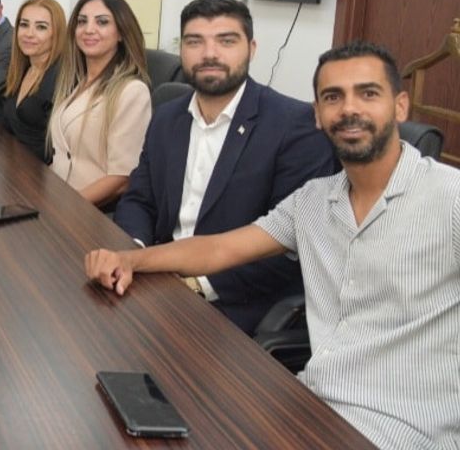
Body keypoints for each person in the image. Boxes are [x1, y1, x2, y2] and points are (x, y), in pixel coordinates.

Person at [85, 42, 460, 449]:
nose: (349, 109)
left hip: (405, 428)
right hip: (313, 403)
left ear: (400, 107)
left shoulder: (450, 198)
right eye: (333, 97)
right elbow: (217, 250)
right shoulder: (313, 199)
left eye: (368, 93)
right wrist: (130, 259)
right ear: (317, 115)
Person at [113, 0, 339, 332]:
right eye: (195, 42)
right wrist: (134, 253)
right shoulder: (166, 116)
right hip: (154, 279)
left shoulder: (296, 127)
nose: (209, 54)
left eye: (226, 41)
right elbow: (139, 199)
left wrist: (195, 284)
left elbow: (289, 248)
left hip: (233, 306)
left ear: (252, 48)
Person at [49, 0, 151, 208]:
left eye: (102, 22)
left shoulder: (132, 91)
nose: (89, 29)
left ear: (121, 33)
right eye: (82, 21)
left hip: (88, 211)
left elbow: (122, 178)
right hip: (57, 197)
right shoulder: (78, 83)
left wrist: (63, 208)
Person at [0, 0, 66, 163]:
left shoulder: (61, 78)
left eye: (41, 27)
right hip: (15, 165)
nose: (29, 34)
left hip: (43, 173)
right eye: (24, 25)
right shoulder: (21, 70)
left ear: (56, 34)